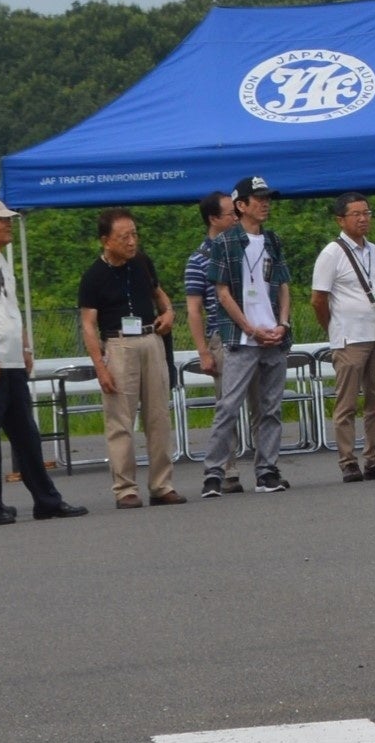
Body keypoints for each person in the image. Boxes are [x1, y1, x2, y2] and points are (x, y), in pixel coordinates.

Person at [0, 196, 82, 525]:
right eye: (2, 220)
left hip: (9, 360)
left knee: (26, 434)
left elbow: (10, 306)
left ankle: (47, 500)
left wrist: (24, 347)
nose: (8, 224)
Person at [75, 208, 183, 510]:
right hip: (118, 344)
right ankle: (125, 489)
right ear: (105, 241)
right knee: (120, 420)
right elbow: (88, 325)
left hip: (151, 339)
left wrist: (169, 313)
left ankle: (162, 485)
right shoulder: (93, 276)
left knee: (158, 416)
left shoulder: (142, 263)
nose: (132, 242)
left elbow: (159, 294)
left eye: (134, 234)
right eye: (124, 237)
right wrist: (100, 367)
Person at [202, 174, 295, 496]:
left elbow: (283, 285)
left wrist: (283, 324)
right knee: (229, 405)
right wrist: (248, 327)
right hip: (242, 339)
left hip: (273, 335)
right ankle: (214, 473)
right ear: (241, 205)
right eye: (259, 199)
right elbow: (222, 291)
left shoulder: (273, 240)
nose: (265, 204)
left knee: (270, 408)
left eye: (267, 198)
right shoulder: (225, 242)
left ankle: (267, 470)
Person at [313, 191, 375, 482]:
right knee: (347, 403)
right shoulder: (332, 253)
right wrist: (333, 328)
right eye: (357, 214)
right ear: (341, 219)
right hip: (349, 338)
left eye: (367, 213)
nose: (363, 219)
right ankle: (347, 461)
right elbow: (318, 299)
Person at [181, 190, 232, 406]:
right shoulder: (198, 260)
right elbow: (194, 310)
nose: (237, 218)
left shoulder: (245, 249)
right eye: (231, 214)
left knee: (260, 403)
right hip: (222, 338)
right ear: (213, 219)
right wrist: (204, 352)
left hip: (253, 335)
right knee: (228, 406)